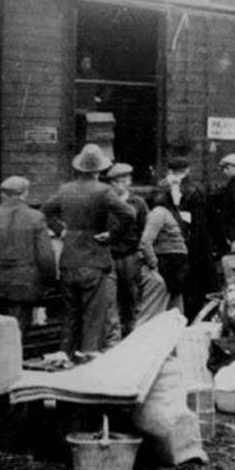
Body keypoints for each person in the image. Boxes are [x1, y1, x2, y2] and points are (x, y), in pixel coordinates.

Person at [42, 144, 135, 359]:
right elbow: (128, 214)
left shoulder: (65, 190)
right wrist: (112, 235)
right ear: (98, 170)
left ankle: (64, 354)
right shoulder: (103, 191)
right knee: (93, 313)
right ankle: (87, 354)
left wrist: (62, 230)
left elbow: (45, 211)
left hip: (69, 259)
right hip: (95, 258)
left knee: (70, 313)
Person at [0, 176, 56, 338]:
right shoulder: (36, 217)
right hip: (23, 284)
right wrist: (48, 279)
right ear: (24, 194)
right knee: (16, 333)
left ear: (2, 194)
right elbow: (46, 255)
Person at [160, 156, 216, 319]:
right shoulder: (197, 189)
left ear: (170, 171)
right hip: (199, 244)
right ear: (188, 170)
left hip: (181, 242)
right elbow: (210, 218)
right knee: (197, 283)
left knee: (183, 284)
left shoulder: (168, 190)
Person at [105, 163, 150, 337]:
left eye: (126, 180)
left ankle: (132, 332)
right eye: (119, 181)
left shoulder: (138, 203)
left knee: (132, 295)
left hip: (131, 255)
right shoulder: (106, 203)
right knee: (111, 298)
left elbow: (145, 228)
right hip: (110, 254)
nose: (124, 184)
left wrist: (142, 252)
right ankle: (114, 335)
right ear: (112, 183)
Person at [140, 188, 189, 311]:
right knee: (167, 305)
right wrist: (154, 263)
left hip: (173, 265)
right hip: (168, 264)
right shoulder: (159, 213)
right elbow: (145, 241)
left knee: (174, 305)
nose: (180, 194)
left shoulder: (165, 212)